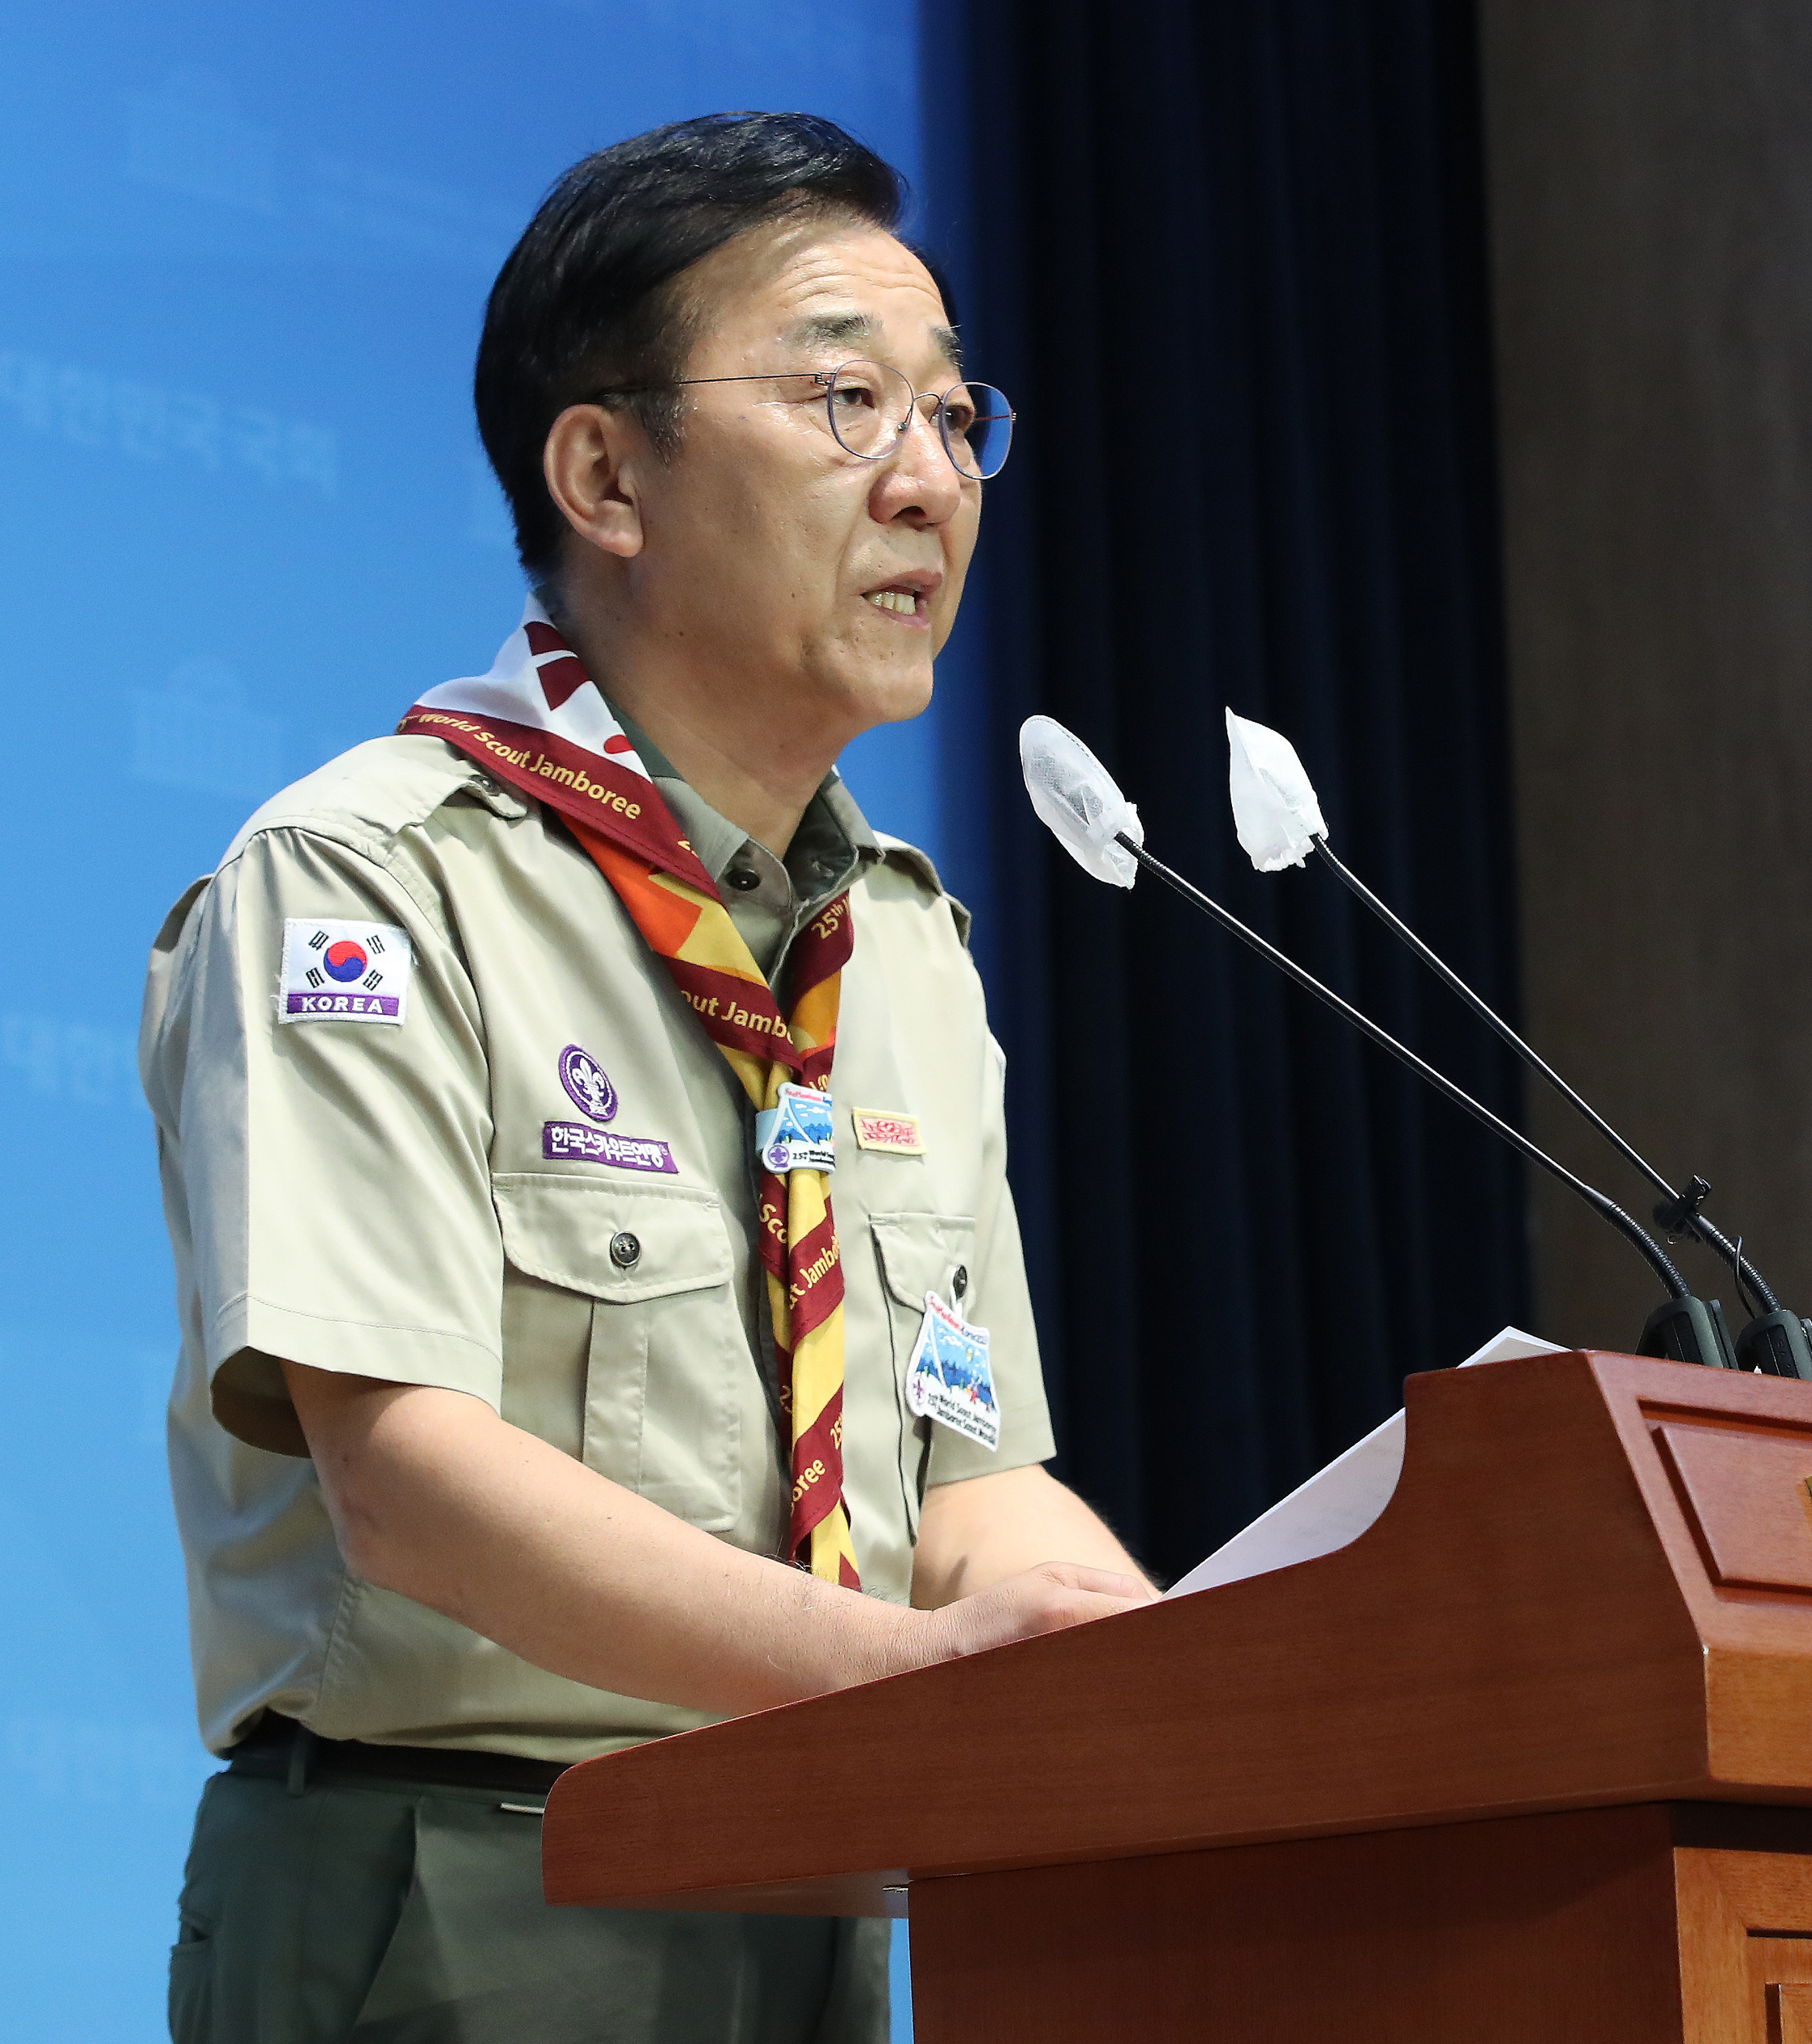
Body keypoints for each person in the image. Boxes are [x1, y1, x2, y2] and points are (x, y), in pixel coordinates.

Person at [139, 113, 1155, 2043]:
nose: (928, 481)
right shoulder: (365, 883)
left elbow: (970, 1476)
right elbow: (408, 1486)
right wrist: (924, 1678)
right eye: (846, 399)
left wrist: (1202, 1698)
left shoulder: (907, 952)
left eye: (955, 419)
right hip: (452, 1894)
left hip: (823, 1893)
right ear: (603, 473)